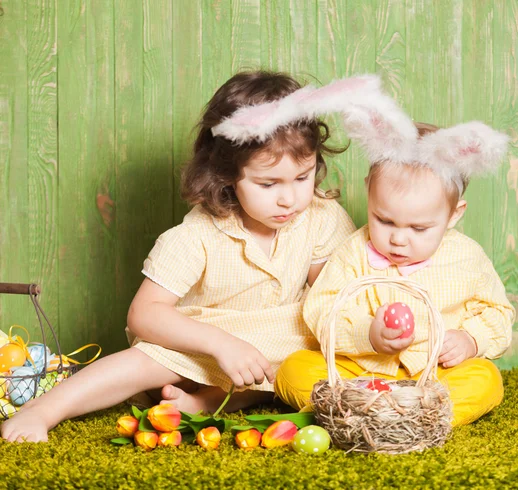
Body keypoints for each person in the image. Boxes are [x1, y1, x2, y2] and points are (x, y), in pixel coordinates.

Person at [1, 71, 358, 443]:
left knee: (309, 344)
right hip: (195, 348)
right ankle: (42, 410)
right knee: (146, 361)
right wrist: (221, 344)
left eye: (302, 177)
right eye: (268, 184)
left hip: (269, 349)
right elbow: (144, 315)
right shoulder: (197, 235)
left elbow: (331, 296)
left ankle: (201, 404)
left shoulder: (320, 215)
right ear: (227, 174)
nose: (290, 199)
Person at [274, 82, 516, 427]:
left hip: (434, 377)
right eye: (384, 220)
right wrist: (366, 335)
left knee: (486, 380)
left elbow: (497, 311)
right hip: (361, 373)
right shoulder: (353, 251)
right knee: (293, 370)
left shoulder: (467, 257)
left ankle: (423, 416)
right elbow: (322, 307)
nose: (399, 240)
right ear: (369, 197)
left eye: (419, 229)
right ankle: (364, 409)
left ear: (454, 215)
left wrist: (471, 339)